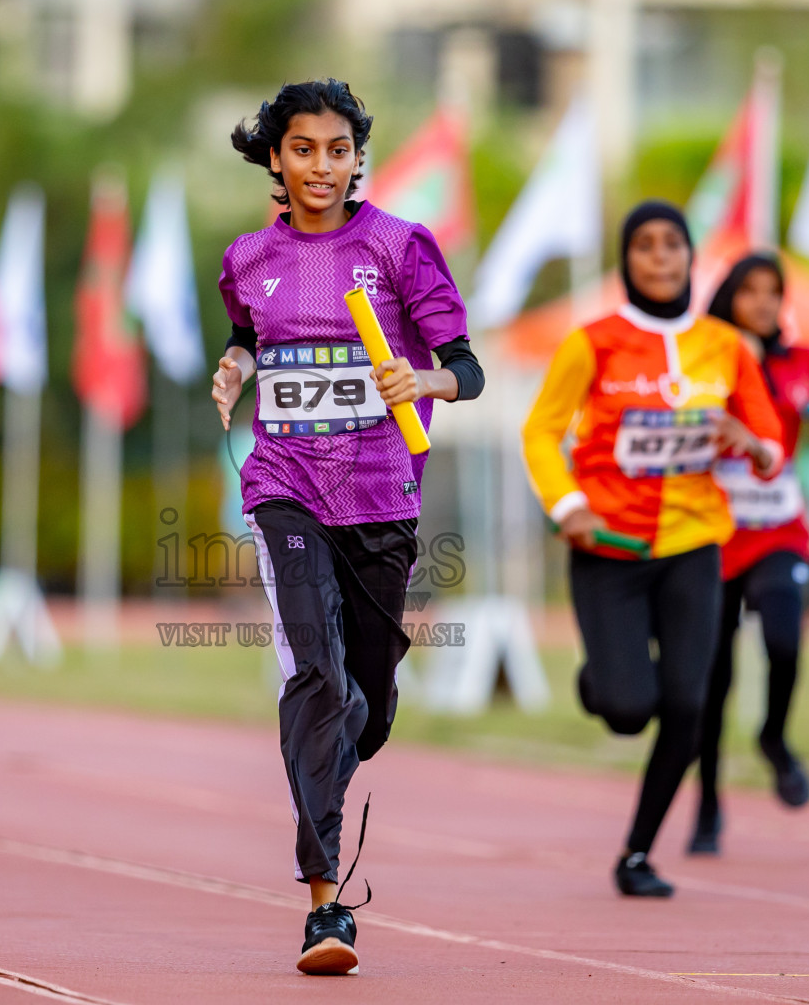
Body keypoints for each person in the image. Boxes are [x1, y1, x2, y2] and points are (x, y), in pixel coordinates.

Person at [211, 78, 484, 974]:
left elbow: (465, 369)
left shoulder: (401, 248)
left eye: (337, 149)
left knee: (363, 713)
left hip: (383, 499)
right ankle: (326, 907)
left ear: (357, 156)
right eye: (302, 149)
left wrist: (426, 383)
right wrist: (236, 366)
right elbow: (252, 332)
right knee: (317, 680)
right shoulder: (248, 257)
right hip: (284, 489)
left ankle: (359, 711)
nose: (321, 165)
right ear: (276, 159)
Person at [521, 201, 783, 898]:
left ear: (692, 257)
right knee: (629, 707)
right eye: (645, 245)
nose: (661, 257)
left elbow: (770, 446)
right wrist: (568, 505)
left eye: (673, 244)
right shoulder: (593, 342)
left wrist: (749, 443)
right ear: (627, 259)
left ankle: (638, 854)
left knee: (690, 705)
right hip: (609, 546)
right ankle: (602, 680)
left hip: (695, 543)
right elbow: (541, 433)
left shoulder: (726, 347)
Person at [690, 253, 809, 856]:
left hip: (779, 528)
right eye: (750, 290)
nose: (763, 302)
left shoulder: (802, 362)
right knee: (714, 678)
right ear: (728, 296)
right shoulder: (700, 355)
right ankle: (707, 805)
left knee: (785, 637)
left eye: (773, 291)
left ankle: (774, 738)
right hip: (712, 531)